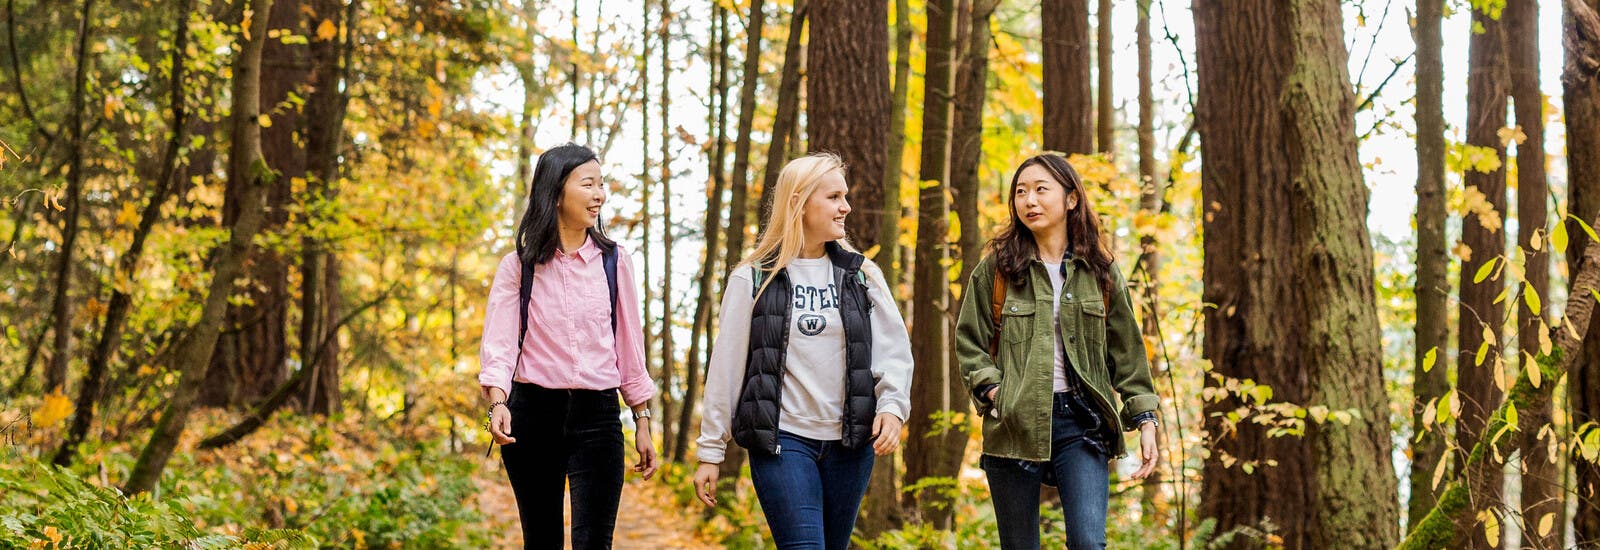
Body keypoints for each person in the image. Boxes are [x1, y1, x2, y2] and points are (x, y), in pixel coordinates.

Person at [690, 153, 914, 550]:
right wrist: (711, 451)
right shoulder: (753, 278)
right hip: (783, 441)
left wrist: (893, 407)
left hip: (850, 445)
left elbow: (893, 349)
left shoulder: (861, 275)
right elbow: (726, 367)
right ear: (799, 201)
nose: (845, 207)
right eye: (833, 197)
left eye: (844, 196)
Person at [955, 153, 1162, 549]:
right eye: (1020, 192)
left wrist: (1146, 419)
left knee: (1088, 542)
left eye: (1040, 190)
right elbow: (969, 343)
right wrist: (996, 392)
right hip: (1013, 424)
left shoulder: (1100, 270)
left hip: (1080, 422)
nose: (1029, 200)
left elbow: (1128, 354)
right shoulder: (996, 270)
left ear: (1070, 199)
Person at [478, 143, 658, 549]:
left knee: (595, 542)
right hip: (532, 417)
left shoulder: (615, 262)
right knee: (541, 541)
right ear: (557, 192)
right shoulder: (518, 266)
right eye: (588, 184)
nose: (600, 194)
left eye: (601, 184)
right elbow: (500, 346)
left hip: (598, 417)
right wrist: (497, 401)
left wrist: (643, 421)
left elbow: (630, 350)